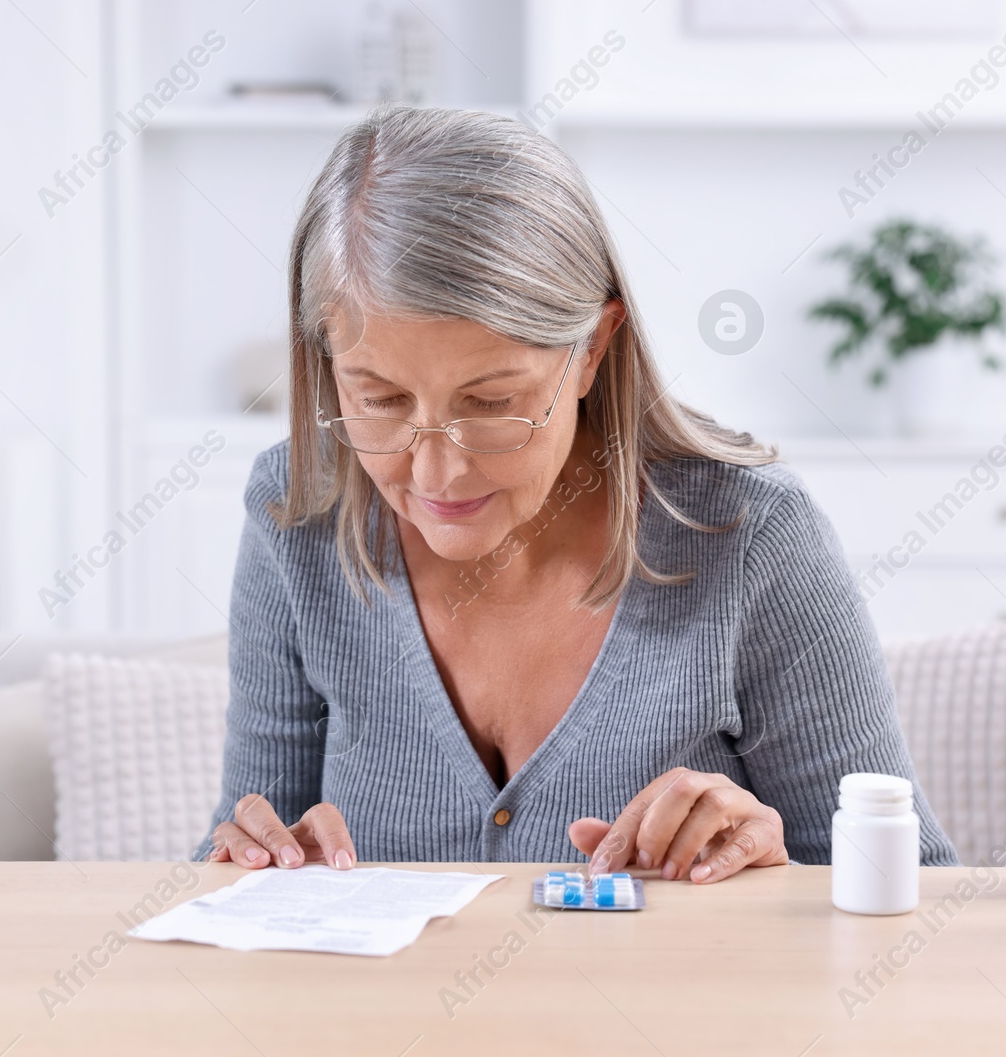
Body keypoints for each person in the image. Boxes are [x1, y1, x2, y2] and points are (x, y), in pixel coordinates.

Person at [197, 104, 958, 881]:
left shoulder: (750, 537)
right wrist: (256, 861)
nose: (435, 475)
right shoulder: (299, 509)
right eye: (381, 400)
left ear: (592, 348)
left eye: (491, 403)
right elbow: (238, 866)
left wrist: (773, 865)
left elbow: (919, 894)